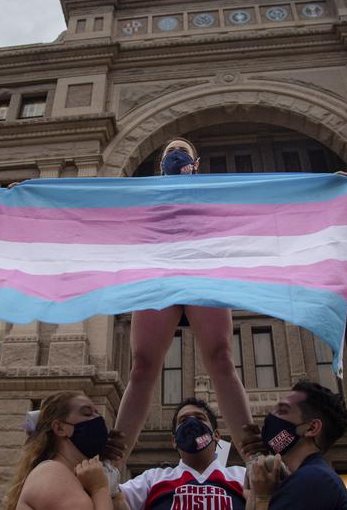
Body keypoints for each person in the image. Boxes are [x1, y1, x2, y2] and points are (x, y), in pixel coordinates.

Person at [112, 138, 257, 461]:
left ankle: (254, 453)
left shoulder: (213, 192)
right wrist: (34, 198)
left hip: (202, 271)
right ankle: (113, 460)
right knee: (142, 367)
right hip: (157, 276)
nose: (175, 154)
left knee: (221, 358)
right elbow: (97, 210)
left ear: (197, 162)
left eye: (182, 151)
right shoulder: (143, 195)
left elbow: (260, 202)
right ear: (160, 163)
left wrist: (327, 188)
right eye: (169, 151)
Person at [114, 397, 248, 510]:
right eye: (183, 420)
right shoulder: (152, 479)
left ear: (217, 435)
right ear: (174, 440)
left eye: (199, 418)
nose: (191, 423)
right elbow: (111, 496)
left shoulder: (242, 477)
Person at [247, 380, 347, 510]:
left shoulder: (313, 479)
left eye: (282, 411)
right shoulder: (313, 476)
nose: (270, 417)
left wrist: (261, 498)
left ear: (311, 428)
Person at [5, 391, 115, 510]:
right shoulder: (52, 473)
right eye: (87, 413)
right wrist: (100, 489)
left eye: (97, 413)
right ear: (60, 428)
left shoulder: (77, 477)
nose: (98, 419)